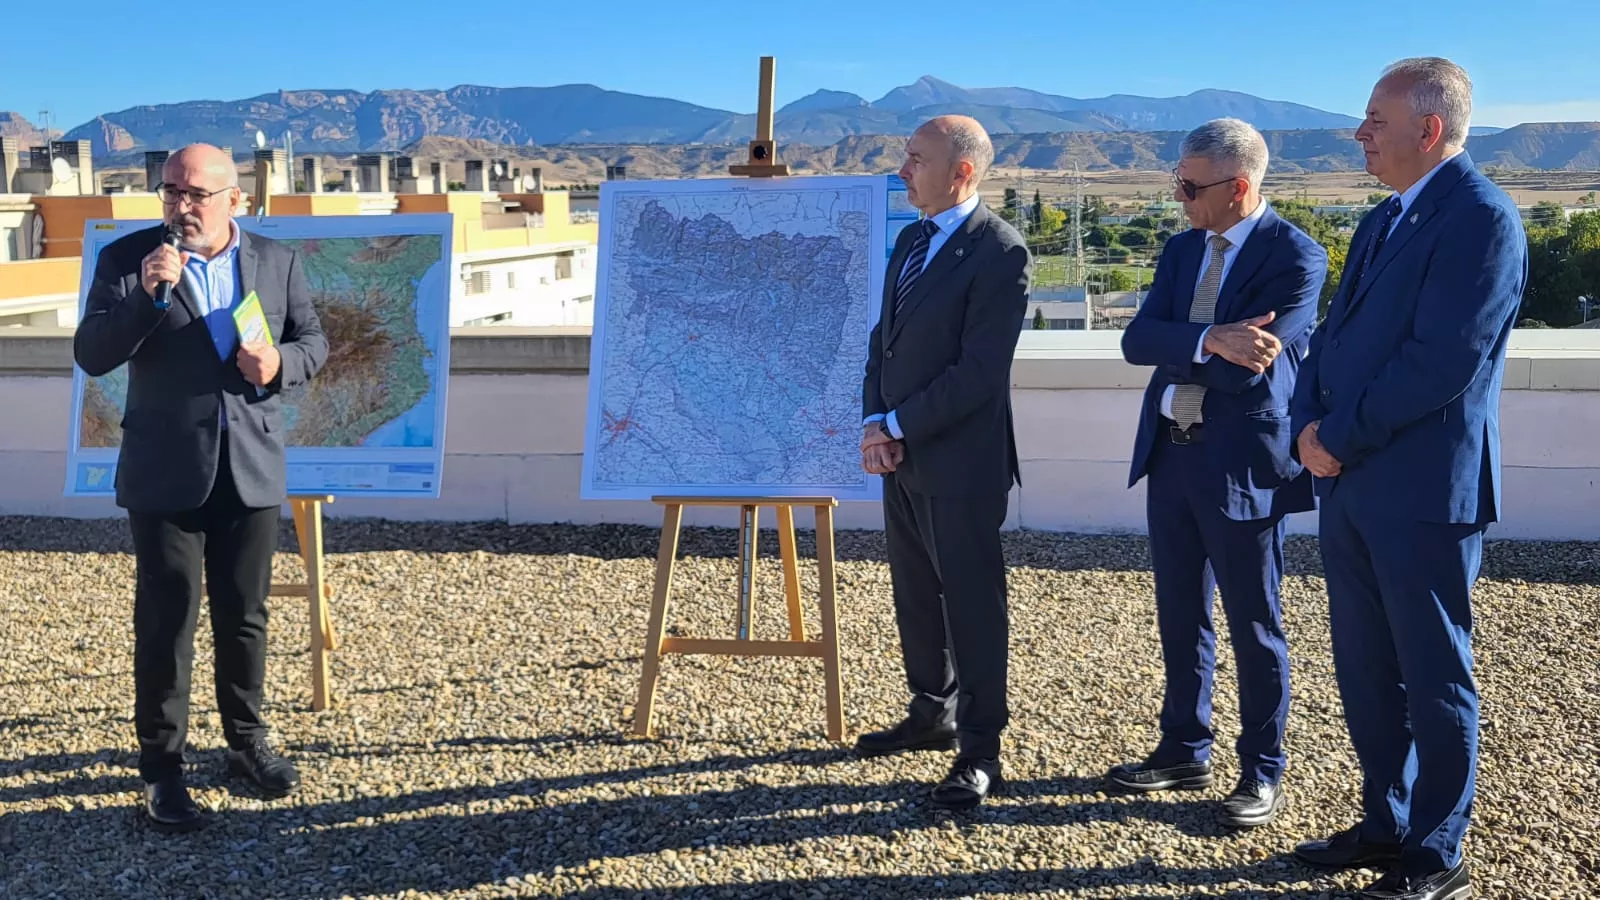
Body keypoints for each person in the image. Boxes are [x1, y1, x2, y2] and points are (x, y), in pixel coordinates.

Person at [1289, 58, 1526, 900]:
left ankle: (1436, 846)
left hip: (1422, 491)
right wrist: (1304, 428)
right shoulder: (1392, 217)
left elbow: (1440, 362)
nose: (1359, 134)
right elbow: (1334, 340)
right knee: (1364, 666)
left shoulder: (1480, 220)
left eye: (1374, 120)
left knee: (1432, 671)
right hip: (1351, 482)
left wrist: (1334, 438)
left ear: (1429, 130)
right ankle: (1383, 820)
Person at [73, 143, 329, 832]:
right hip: (165, 470)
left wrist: (277, 363)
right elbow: (93, 354)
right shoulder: (129, 261)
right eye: (170, 192)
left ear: (234, 200)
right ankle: (162, 769)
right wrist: (149, 299)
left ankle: (247, 742)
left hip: (251, 466)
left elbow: (314, 343)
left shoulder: (277, 261)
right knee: (167, 621)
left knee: (246, 615)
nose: (181, 206)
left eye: (197, 195)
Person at [1115, 118, 1328, 829]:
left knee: (1253, 623)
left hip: (1241, 467)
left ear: (1239, 187)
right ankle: (1183, 747)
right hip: (1171, 455)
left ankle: (1262, 771)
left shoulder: (1296, 257)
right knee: (1180, 614)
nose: (1179, 197)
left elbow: (1256, 366)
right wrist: (1209, 338)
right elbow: (1136, 340)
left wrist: (1187, 345)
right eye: (1177, 182)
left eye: (1189, 186)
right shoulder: (1182, 251)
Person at [857, 115, 1031, 810]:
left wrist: (897, 423)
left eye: (915, 158)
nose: (902, 169)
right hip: (899, 457)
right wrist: (876, 422)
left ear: (962, 171)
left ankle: (981, 750)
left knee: (971, 608)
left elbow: (979, 372)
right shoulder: (911, 239)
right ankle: (931, 710)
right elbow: (885, 341)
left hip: (960, 465)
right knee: (914, 596)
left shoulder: (1000, 252)